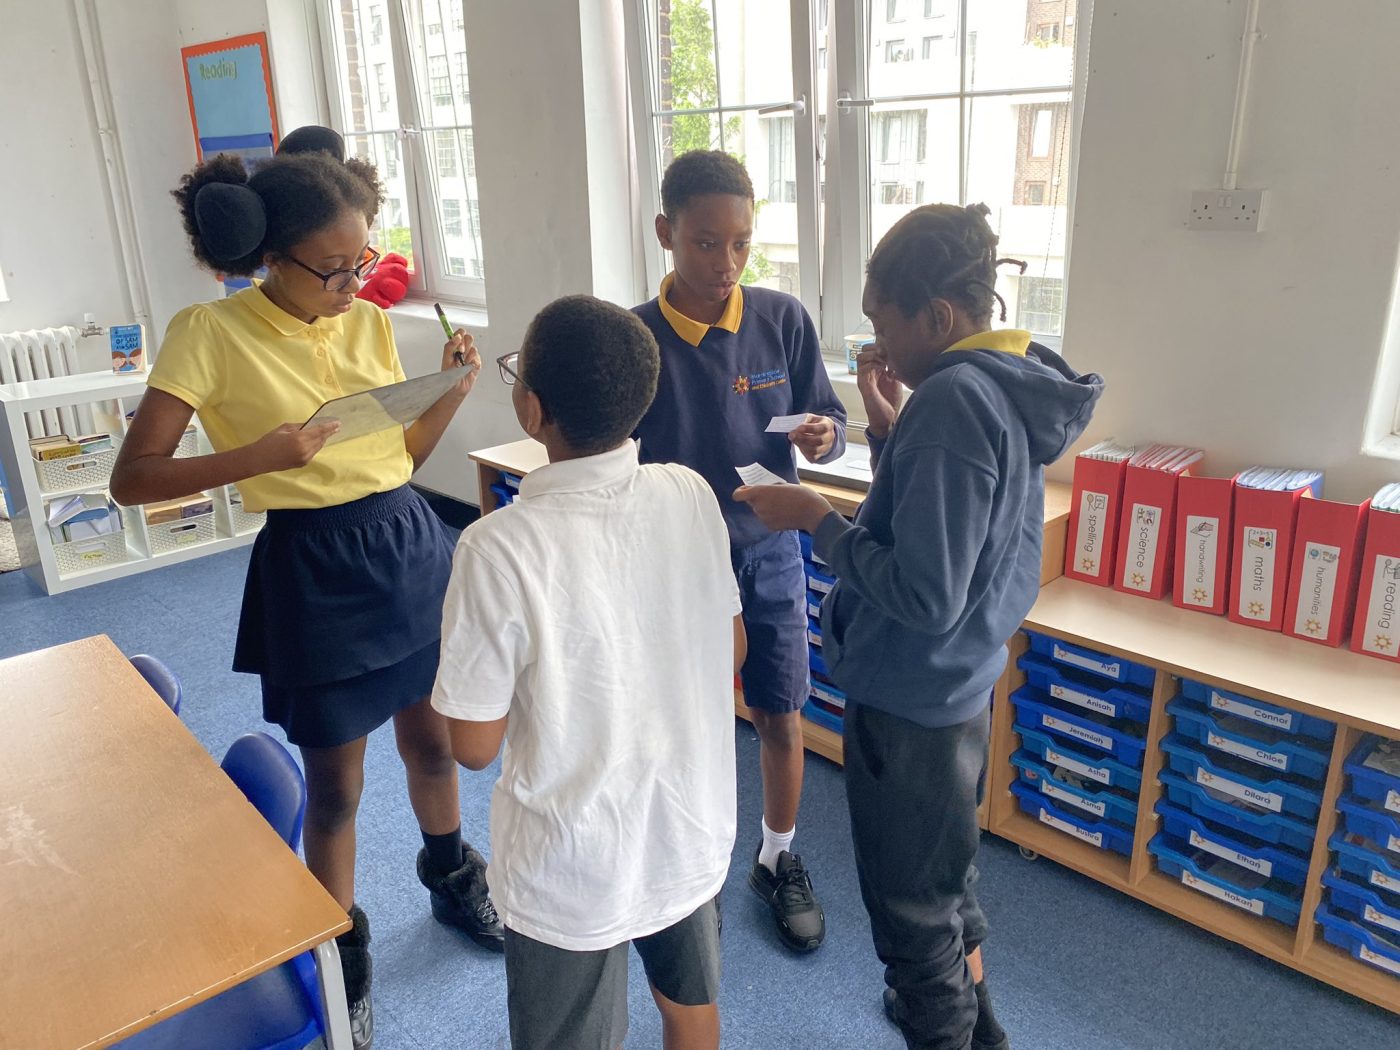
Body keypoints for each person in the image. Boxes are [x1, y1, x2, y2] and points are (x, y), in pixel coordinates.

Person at [109, 128, 504, 1050]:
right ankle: (340, 949)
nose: (353, 283)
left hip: (406, 542)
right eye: (332, 270)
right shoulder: (208, 333)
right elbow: (133, 479)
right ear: (270, 258)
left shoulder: (368, 322)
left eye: (362, 261)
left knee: (434, 743)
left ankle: (451, 878)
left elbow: (397, 459)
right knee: (336, 789)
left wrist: (451, 390)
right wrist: (258, 456)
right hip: (313, 566)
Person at [736, 203, 1103, 1050]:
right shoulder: (1001, 382)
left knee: (914, 923)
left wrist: (814, 519)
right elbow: (951, 510)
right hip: (957, 688)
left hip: (909, 703)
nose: (877, 342)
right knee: (947, 888)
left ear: (936, 317)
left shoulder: (952, 403)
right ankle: (984, 1034)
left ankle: (950, 1028)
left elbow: (926, 592)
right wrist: (883, 416)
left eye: (882, 324)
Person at [432, 295, 743, 1050]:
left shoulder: (496, 547)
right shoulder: (689, 491)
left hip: (568, 861)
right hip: (686, 823)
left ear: (531, 410)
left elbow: (472, 745)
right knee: (691, 1006)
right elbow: (732, 649)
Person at [633, 150, 846, 953]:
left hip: (771, 555)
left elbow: (826, 422)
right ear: (666, 233)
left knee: (781, 713)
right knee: (686, 725)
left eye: (742, 244)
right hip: (676, 565)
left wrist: (825, 435)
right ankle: (692, 874)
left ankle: (776, 856)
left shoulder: (781, 319)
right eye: (705, 243)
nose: (726, 263)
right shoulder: (636, 337)